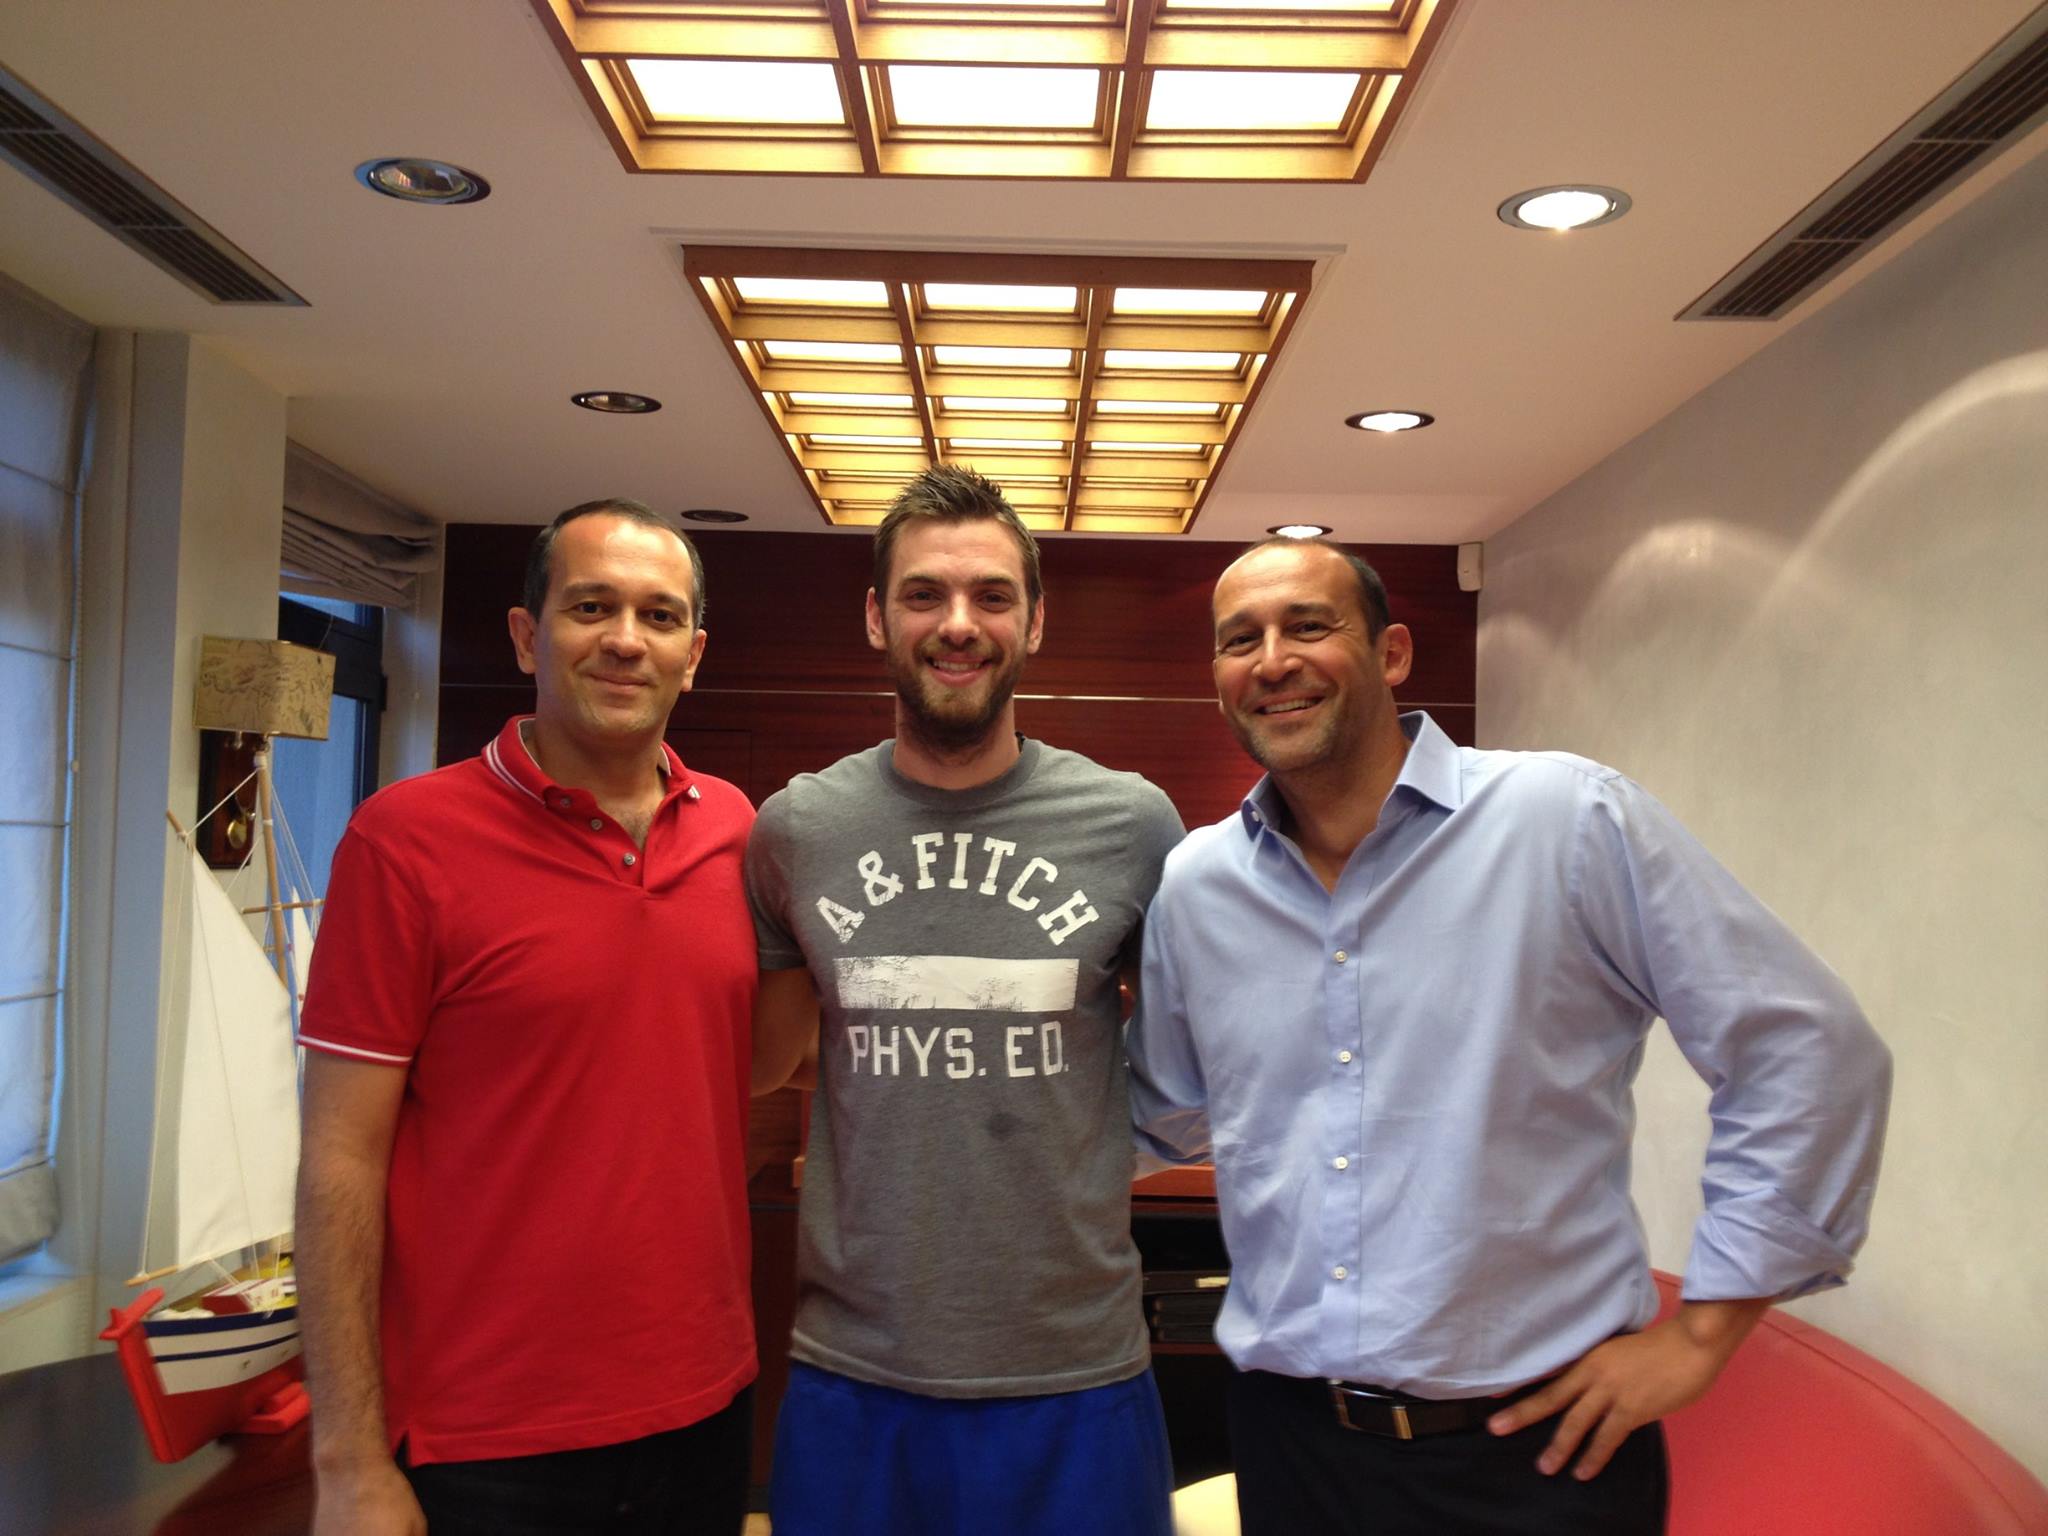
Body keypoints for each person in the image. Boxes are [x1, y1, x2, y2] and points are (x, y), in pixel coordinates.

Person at [1128, 536, 1892, 1536]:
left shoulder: (1564, 820)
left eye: (1308, 626)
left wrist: (1702, 1337)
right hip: (1291, 1445)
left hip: (1536, 1455)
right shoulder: (1199, 884)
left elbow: (1804, 1048)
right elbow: (1165, 1111)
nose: (1272, 661)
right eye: (1241, 639)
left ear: (1392, 653)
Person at [295, 499, 759, 1536]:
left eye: (659, 615)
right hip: (483, 1440)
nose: (626, 640)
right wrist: (347, 1458)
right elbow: (338, 1159)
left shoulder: (738, 831)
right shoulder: (403, 841)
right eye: (591, 607)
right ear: (525, 635)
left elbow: (743, 1067)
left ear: (693, 653)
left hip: (705, 1406)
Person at [746, 465, 1186, 1536]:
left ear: (1033, 621)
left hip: (1075, 1376)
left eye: (992, 595)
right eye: (923, 594)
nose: (957, 624)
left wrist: (1075, 1151)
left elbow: (1190, 1062)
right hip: (854, 1375)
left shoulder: (1132, 825)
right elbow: (770, 1061)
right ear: (875, 617)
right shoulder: (794, 831)